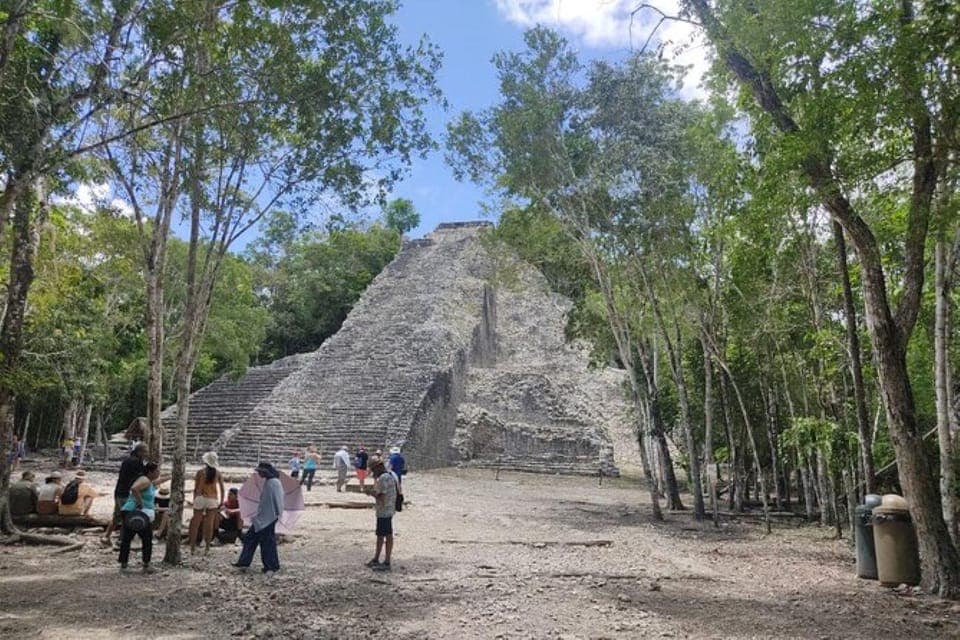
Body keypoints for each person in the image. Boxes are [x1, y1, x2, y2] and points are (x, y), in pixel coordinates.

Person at [234, 462, 284, 575]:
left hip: (267, 517)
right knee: (252, 539)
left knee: (266, 542)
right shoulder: (272, 482)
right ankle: (244, 562)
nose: (259, 474)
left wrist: (276, 515)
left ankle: (271, 566)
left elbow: (276, 501)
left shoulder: (272, 483)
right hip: (264, 517)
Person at [119, 461, 165, 574]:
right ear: (150, 472)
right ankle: (146, 564)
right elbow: (134, 489)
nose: (159, 473)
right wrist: (141, 504)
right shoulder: (144, 480)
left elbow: (157, 482)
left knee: (129, 538)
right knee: (146, 538)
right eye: (157, 471)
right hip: (135, 511)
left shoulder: (148, 481)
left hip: (133, 511)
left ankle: (124, 564)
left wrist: (170, 476)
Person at [103, 442, 148, 545]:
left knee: (117, 516)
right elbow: (140, 477)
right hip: (126, 493)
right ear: (140, 451)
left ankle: (107, 536)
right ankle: (122, 539)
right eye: (145, 452)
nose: (146, 454)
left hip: (119, 491)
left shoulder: (128, 460)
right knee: (127, 517)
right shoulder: (136, 462)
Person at [189, 451, 225, 554]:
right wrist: (221, 501)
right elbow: (222, 489)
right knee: (210, 523)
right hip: (212, 499)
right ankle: (207, 548)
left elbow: (196, 488)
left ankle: (192, 547)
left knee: (195, 523)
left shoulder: (200, 472)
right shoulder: (218, 473)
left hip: (200, 497)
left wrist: (194, 499)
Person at [366, 459, 398, 572]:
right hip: (387, 510)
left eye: (373, 469)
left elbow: (382, 498)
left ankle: (387, 562)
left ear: (378, 467)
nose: (373, 472)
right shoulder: (390, 475)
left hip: (385, 510)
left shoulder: (384, 478)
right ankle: (376, 559)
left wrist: (372, 493)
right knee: (380, 535)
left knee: (387, 535)